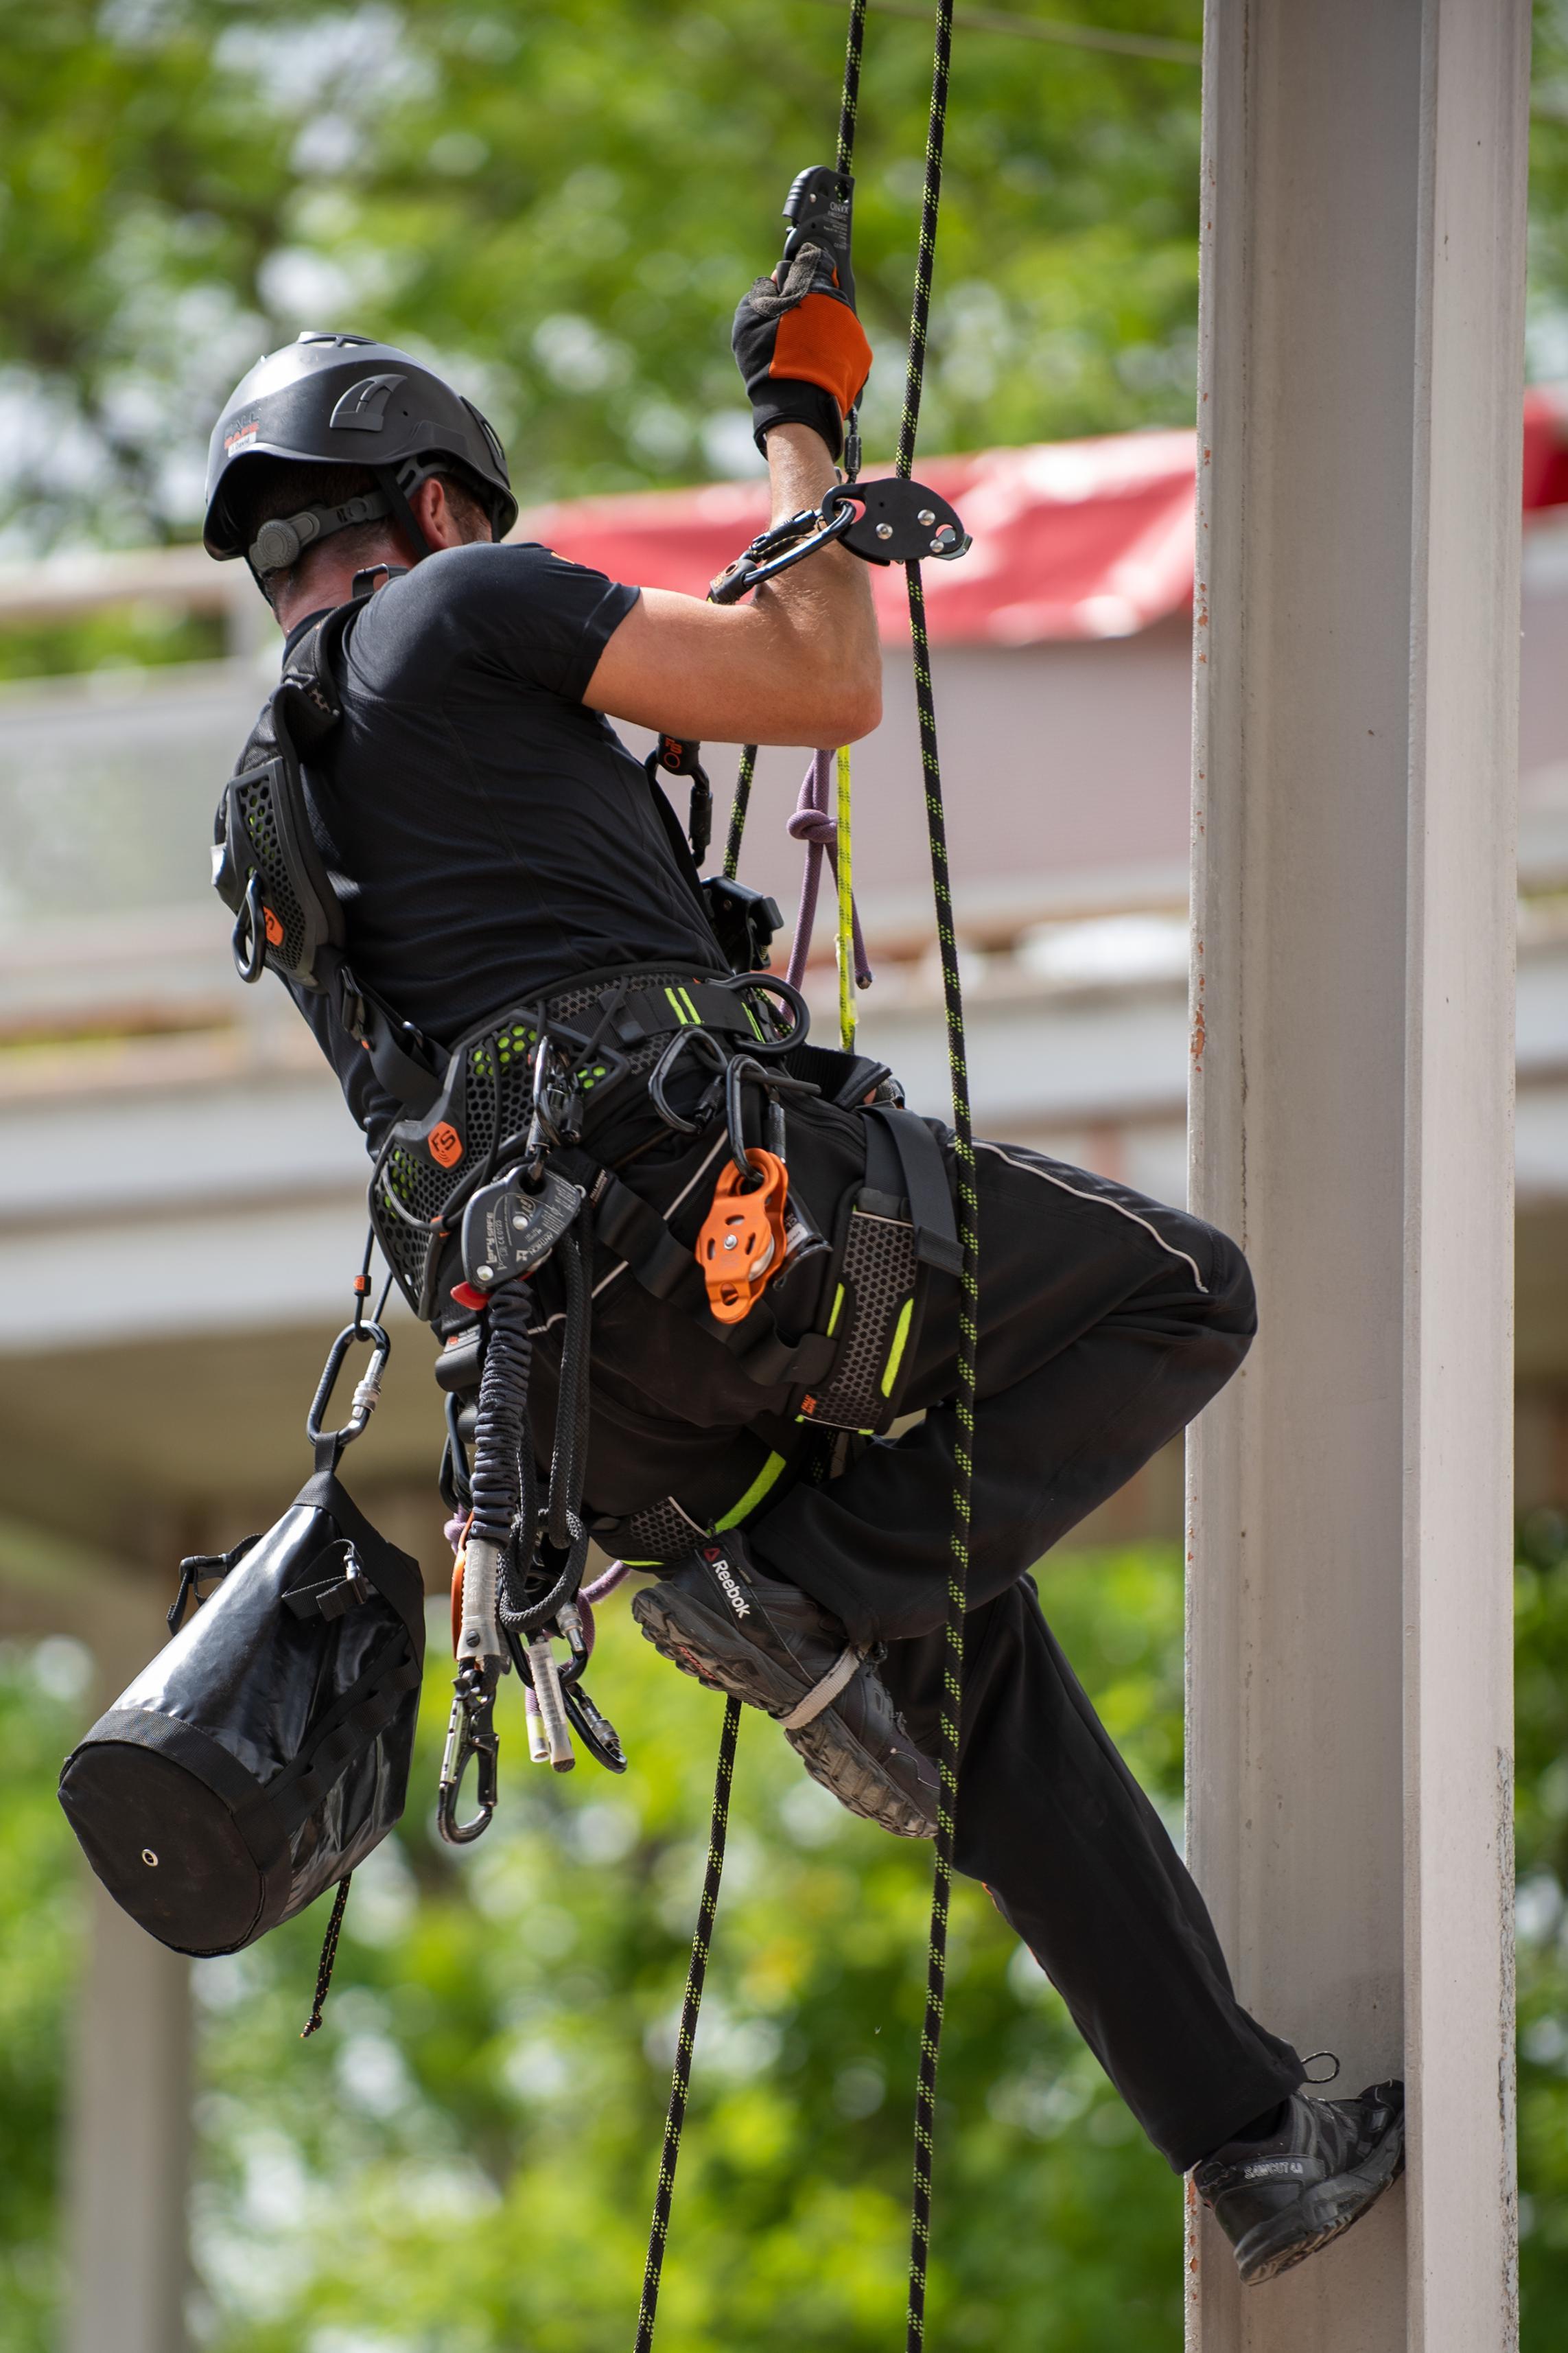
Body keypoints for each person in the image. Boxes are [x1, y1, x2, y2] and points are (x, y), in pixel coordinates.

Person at [201, 222, 1405, 2286]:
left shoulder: (270, 807)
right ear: (430, 507)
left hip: (581, 1420)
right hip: (719, 1234)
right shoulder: (466, 610)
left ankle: (1250, 2139)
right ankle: (810, 1590)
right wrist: (803, 425)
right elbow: (823, 682)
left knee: (979, 1664)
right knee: (1172, 1287)